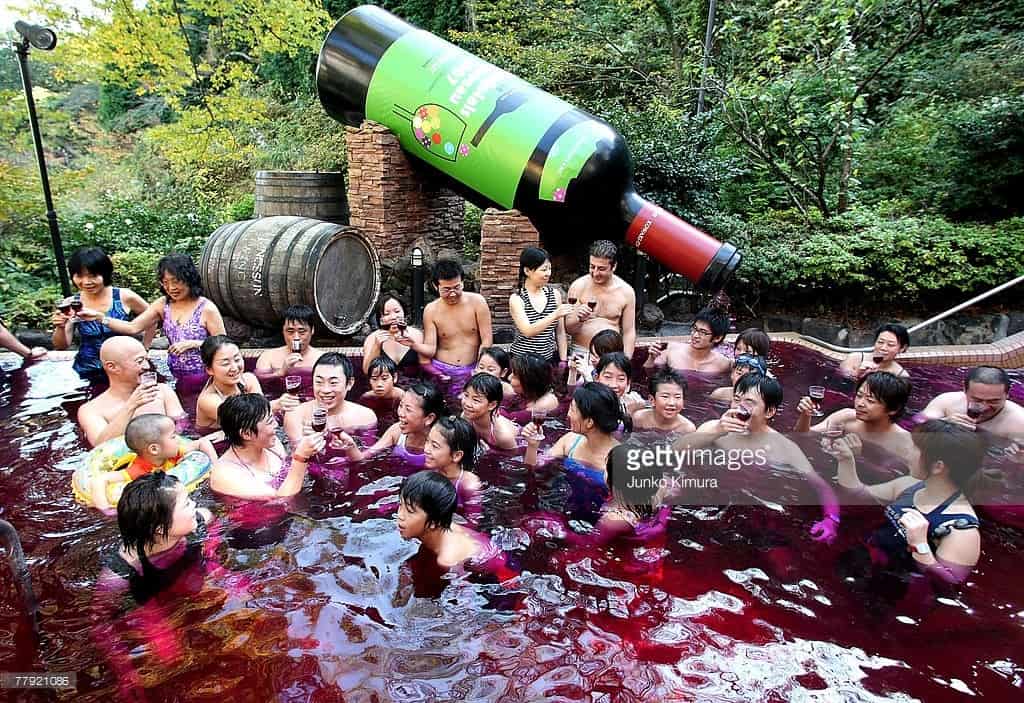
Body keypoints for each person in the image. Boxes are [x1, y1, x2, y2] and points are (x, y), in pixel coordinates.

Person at [684, 373, 841, 543]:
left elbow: (821, 486)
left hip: (756, 512)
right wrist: (715, 432)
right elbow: (677, 452)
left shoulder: (784, 448)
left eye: (749, 403)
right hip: (707, 499)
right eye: (736, 399)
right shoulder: (716, 429)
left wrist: (831, 521)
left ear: (770, 411)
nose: (739, 407)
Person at [827, 419, 985, 582]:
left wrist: (921, 545)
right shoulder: (910, 484)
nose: (907, 452)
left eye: (914, 448)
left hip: (893, 592)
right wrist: (846, 460)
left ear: (938, 466)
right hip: (864, 563)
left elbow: (948, 587)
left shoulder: (962, 530)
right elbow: (857, 494)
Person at [80, 253, 226, 379]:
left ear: (189, 279)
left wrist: (195, 343)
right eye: (165, 282)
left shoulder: (206, 308)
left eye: (176, 281)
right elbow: (132, 327)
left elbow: (224, 343)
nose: (171, 288)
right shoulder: (163, 304)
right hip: (175, 373)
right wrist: (99, 318)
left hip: (206, 374)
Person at [51, 246, 153, 378]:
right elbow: (61, 346)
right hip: (87, 368)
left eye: (93, 276)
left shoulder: (124, 296)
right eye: (79, 276)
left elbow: (153, 318)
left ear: (105, 274)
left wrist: (145, 348)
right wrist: (60, 327)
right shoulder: (72, 303)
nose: (86, 282)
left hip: (125, 368)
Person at [90, 413, 216, 513]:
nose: (178, 439)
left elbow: (202, 442)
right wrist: (105, 509)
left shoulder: (173, 452)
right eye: (173, 436)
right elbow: (99, 480)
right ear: (154, 449)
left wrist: (216, 467)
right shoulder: (138, 470)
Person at [211, 394, 324, 500]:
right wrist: (301, 457)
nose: (276, 425)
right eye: (270, 421)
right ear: (246, 434)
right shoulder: (225, 474)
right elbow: (281, 500)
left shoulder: (271, 445)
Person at [400, 259, 492, 389]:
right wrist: (413, 345)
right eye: (446, 290)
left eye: (457, 287)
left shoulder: (478, 302)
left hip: (473, 369)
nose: (453, 294)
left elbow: (487, 341)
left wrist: (480, 370)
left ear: (463, 282)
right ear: (435, 286)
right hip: (442, 369)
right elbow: (430, 349)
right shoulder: (431, 310)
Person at [795, 371, 917, 468]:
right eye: (859, 396)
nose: (860, 403)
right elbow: (802, 436)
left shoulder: (905, 444)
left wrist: (858, 458)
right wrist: (806, 415)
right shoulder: (847, 418)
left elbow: (898, 481)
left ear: (893, 409)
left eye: (870, 401)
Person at [78, 337, 185, 447]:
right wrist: (131, 406)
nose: (147, 366)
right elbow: (100, 449)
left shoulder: (162, 391)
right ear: (112, 367)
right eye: (139, 361)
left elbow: (181, 426)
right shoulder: (90, 410)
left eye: (146, 359)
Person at [522, 382, 622, 485]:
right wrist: (532, 446)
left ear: (589, 422)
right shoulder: (571, 441)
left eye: (573, 410)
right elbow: (534, 469)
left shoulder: (620, 462)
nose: (568, 414)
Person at [397, 471, 495, 570]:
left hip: (495, 569)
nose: (400, 515)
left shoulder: (447, 560)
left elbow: (461, 582)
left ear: (434, 522)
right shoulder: (443, 524)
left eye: (409, 511)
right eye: (400, 505)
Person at [334, 382, 447, 468]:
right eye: (401, 405)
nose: (401, 413)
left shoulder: (440, 443)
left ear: (429, 418)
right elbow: (365, 457)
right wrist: (350, 448)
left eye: (408, 409)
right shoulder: (396, 431)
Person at [195, 336, 298, 429]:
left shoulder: (248, 380)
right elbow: (242, 420)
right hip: (216, 443)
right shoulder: (208, 400)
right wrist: (276, 404)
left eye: (237, 359)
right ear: (209, 369)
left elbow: (262, 414)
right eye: (225, 363)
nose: (234, 368)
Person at [564, 240, 637, 359]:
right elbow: (569, 329)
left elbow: (629, 332)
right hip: (581, 352)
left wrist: (626, 361)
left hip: (611, 355)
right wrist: (579, 319)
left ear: (614, 266)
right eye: (592, 267)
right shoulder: (579, 286)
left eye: (601, 269)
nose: (595, 273)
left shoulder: (626, 292)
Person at [284, 353, 376, 445]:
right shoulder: (295, 415)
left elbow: (366, 456)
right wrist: (306, 442)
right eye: (319, 382)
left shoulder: (365, 417)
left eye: (333, 383)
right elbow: (295, 457)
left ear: (349, 384)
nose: (325, 390)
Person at [921, 366, 1024, 440]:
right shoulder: (946, 401)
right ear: (965, 390)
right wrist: (943, 423)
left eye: (993, 401)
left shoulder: (1019, 422)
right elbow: (916, 422)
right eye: (977, 400)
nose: (984, 407)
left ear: (1007, 395)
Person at [509, 247, 572, 363]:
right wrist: (555, 314)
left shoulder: (555, 295)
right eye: (543, 270)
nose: (548, 273)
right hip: (522, 362)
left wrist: (563, 361)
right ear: (527, 271)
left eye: (549, 269)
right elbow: (528, 331)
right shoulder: (517, 299)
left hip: (547, 360)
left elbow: (560, 332)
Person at [645, 302, 732, 375]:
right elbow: (648, 374)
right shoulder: (673, 352)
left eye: (703, 332)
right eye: (695, 329)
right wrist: (651, 358)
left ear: (717, 338)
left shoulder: (723, 365)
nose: (695, 335)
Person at [423, 416, 483, 517]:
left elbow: (473, 524)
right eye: (427, 441)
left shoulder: (468, 486)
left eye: (434, 446)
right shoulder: (431, 469)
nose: (426, 449)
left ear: (456, 456)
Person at [361, 296, 427, 374]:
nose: (393, 317)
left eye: (397, 311)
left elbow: (426, 364)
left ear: (404, 313)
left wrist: (414, 345)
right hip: (384, 384)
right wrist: (376, 346)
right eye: (387, 314)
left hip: (414, 383)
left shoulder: (417, 334)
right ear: (380, 319)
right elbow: (366, 371)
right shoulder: (372, 338)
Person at [255, 305, 324, 376]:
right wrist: (281, 372)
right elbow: (258, 382)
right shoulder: (268, 357)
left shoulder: (321, 358)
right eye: (290, 331)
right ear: (283, 331)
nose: (296, 337)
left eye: (302, 332)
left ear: (312, 330)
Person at [460, 373, 519, 451]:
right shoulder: (466, 416)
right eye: (466, 395)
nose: (467, 404)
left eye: (476, 400)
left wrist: (490, 453)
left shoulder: (503, 436)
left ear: (492, 405)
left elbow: (513, 456)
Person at [633, 368, 696, 433]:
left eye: (677, 397)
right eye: (665, 396)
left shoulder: (687, 429)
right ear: (652, 400)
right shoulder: (639, 418)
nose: (671, 403)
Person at [839, 323, 910, 380]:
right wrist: (857, 374)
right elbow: (841, 376)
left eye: (890, 345)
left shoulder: (901, 375)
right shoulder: (854, 358)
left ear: (902, 348)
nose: (883, 348)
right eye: (880, 342)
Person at [594, 352, 646, 416]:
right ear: (596, 378)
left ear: (628, 382)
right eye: (607, 377)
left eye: (621, 379)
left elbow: (644, 404)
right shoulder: (588, 403)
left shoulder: (633, 399)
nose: (614, 385)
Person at [508, 352, 559, 416]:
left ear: (529, 381)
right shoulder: (528, 394)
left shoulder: (543, 404)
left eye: (514, 376)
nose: (509, 378)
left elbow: (510, 417)